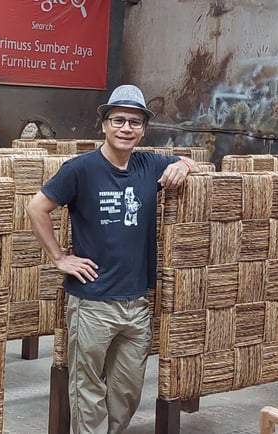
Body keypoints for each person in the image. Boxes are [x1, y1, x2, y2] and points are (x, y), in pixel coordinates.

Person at [27, 84, 199, 434]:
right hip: (92, 303)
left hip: (136, 304)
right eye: (118, 120)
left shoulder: (149, 165)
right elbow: (36, 208)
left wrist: (183, 165)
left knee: (127, 392)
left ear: (143, 129)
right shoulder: (80, 169)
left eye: (135, 122)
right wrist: (60, 258)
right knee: (87, 390)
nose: (126, 128)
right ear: (104, 124)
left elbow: (194, 162)